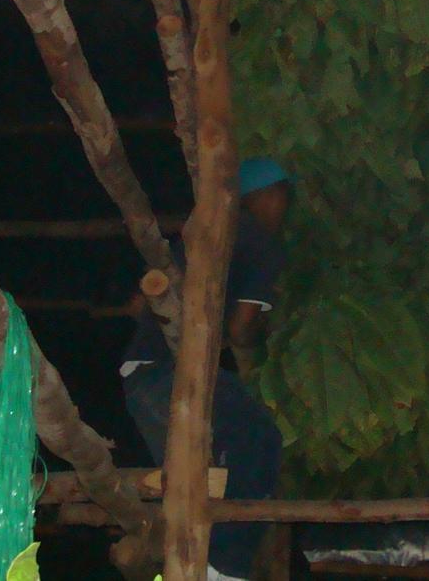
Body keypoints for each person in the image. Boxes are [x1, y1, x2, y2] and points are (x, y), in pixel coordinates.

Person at [121, 157, 292, 581]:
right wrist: (264, 335)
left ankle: (192, 567)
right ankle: (224, 569)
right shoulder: (262, 243)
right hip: (172, 378)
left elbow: (138, 304)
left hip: (137, 377)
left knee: (192, 484)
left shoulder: (201, 238)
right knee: (260, 441)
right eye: (284, 198)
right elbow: (241, 329)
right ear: (269, 196)